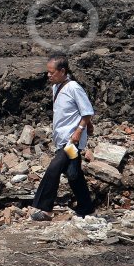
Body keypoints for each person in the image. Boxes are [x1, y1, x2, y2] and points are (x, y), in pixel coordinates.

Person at [31, 54, 96, 220]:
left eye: (52, 72)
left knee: (54, 168)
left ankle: (45, 209)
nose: (48, 75)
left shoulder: (73, 87)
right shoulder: (56, 87)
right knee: (73, 173)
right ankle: (86, 207)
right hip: (62, 139)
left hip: (72, 140)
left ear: (62, 71)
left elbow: (87, 111)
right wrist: (88, 125)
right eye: (48, 72)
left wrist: (79, 131)